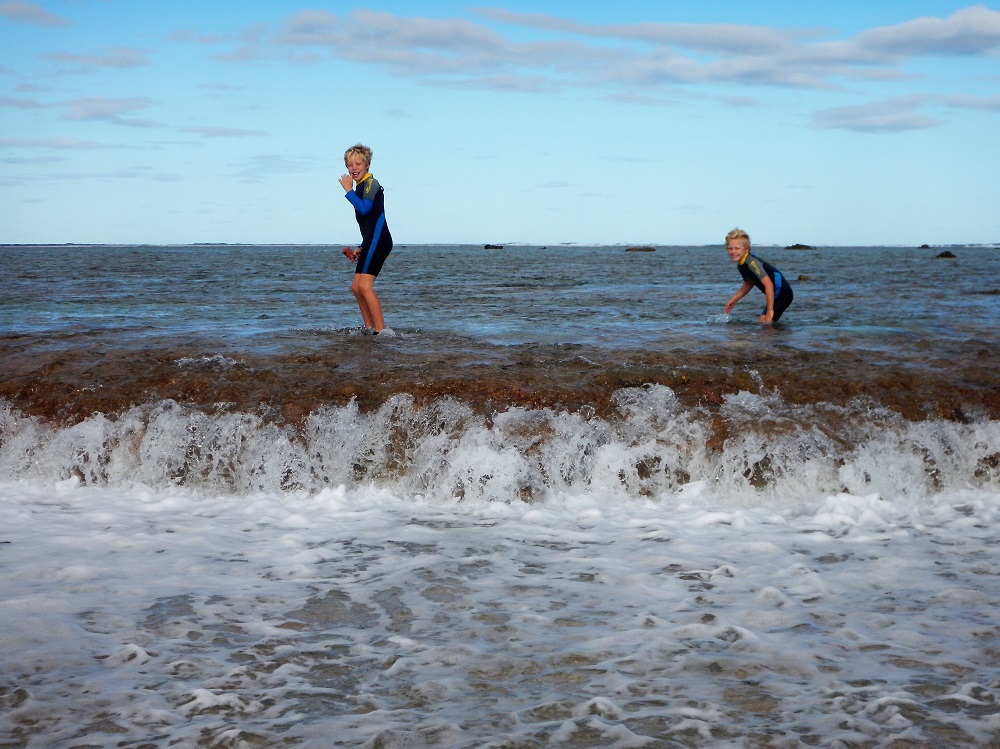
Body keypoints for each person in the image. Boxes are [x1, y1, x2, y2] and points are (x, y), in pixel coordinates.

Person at [339, 143, 393, 334]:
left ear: (367, 164)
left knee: (364, 286)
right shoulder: (361, 187)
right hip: (371, 241)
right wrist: (362, 247)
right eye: (350, 165)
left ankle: (381, 331)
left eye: (358, 164)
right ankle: (369, 328)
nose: (353, 168)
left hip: (380, 241)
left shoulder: (371, 183)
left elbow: (365, 209)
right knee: (356, 287)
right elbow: (370, 222)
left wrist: (348, 191)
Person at [723, 227, 793, 324]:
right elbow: (748, 284)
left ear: (746, 249)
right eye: (730, 248)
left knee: (765, 324)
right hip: (775, 293)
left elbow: (769, 284)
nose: (733, 251)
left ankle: (777, 333)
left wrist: (770, 310)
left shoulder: (751, 262)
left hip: (782, 293)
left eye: (737, 248)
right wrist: (734, 299)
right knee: (763, 324)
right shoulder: (741, 265)